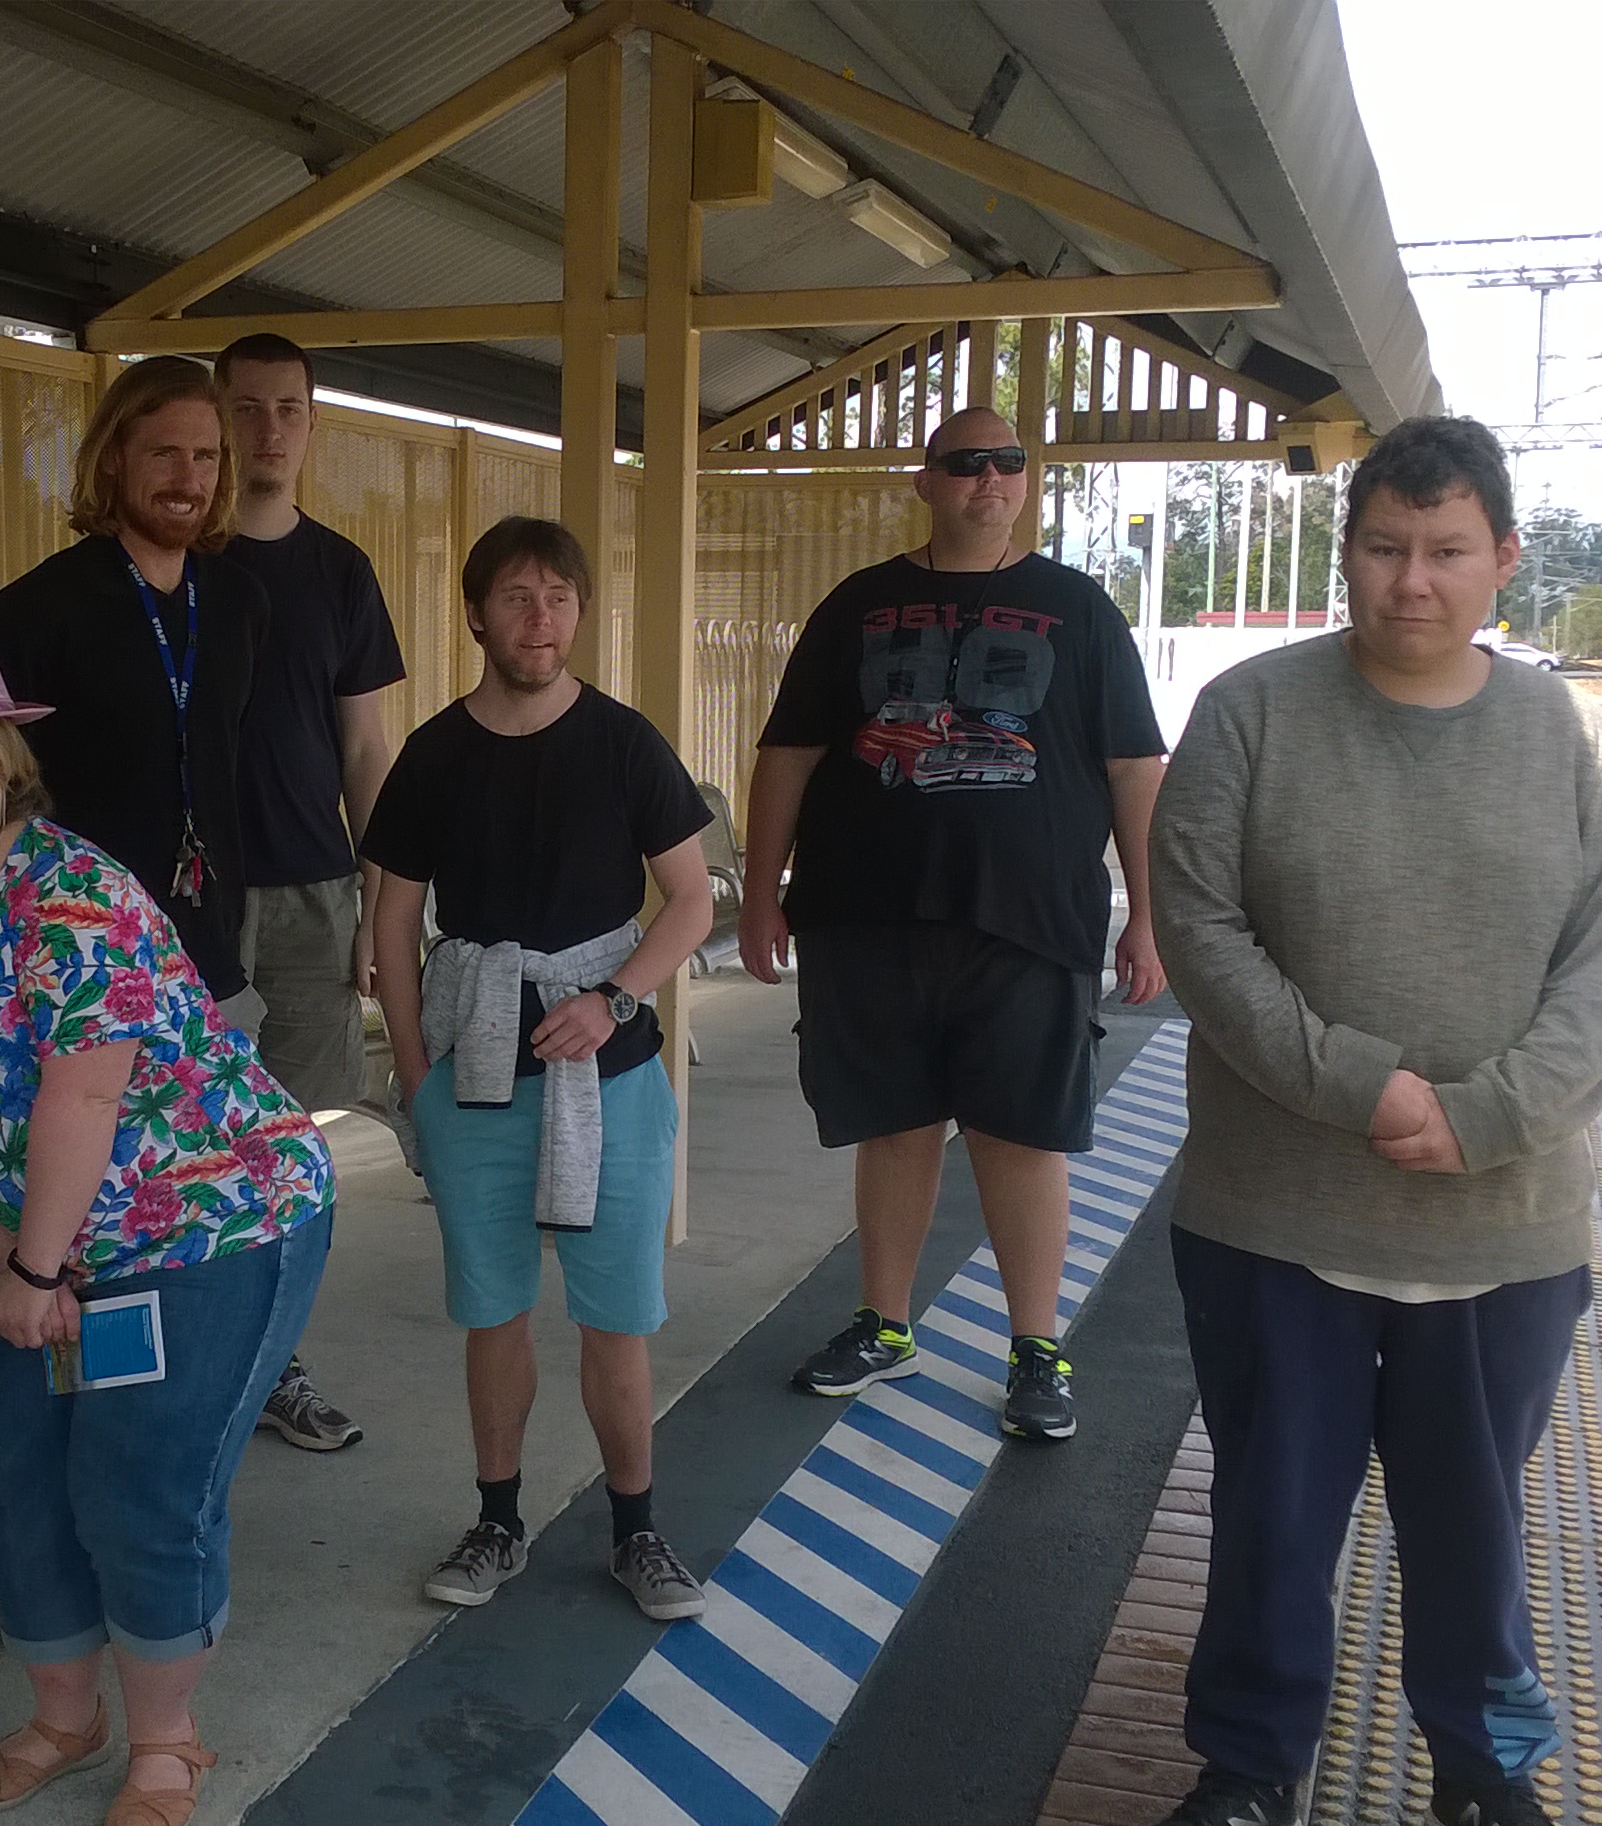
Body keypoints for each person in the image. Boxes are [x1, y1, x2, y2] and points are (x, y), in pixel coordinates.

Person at [1141, 417, 1602, 1826]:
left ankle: (1483, 1773)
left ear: (1503, 559)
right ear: (1347, 547)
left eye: (1444, 552)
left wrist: (1483, 1116)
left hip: (1504, 1224)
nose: (1409, 583)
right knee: (1270, 1522)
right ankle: (1250, 1770)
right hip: (1274, 1216)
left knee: (1473, 1533)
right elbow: (1200, 925)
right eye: (1381, 547)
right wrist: (1356, 1085)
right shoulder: (1251, 714)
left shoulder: (1575, 741)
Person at [0, 619, 333, 1826]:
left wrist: (35, 1264)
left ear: (9, 757)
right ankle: (66, 1722)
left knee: (141, 1487)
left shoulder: (66, 891)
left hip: (208, 1225)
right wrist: (12, 1267)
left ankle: (168, 1745)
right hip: (40, 1246)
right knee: (16, 1478)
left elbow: (84, 1089)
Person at [737, 407, 1167, 1438]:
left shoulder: (1081, 610)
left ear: (1027, 481)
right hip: (866, 915)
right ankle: (884, 1325)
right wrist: (760, 890)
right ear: (925, 482)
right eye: (966, 463)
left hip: (1029, 921)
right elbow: (789, 753)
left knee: (1023, 1137)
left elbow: (1134, 769)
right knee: (892, 1125)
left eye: (1008, 462)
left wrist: (1148, 913)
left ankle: (1036, 1350)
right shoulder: (858, 606)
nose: (989, 479)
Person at [366, 517, 717, 1622]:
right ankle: (498, 1519)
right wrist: (419, 1069)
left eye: (559, 597)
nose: (540, 618)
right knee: (494, 1312)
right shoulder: (434, 751)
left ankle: (637, 1528)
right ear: (475, 614)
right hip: (475, 1077)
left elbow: (694, 900)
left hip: (613, 1080)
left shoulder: (624, 743)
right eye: (516, 597)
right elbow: (395, 917)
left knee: (618, 1315)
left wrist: (610, 1002)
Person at [214, 330, 407, 1457]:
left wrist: (385, 908)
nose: (267, 429)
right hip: (183, 904)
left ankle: (275, 1359)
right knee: (174, 1139)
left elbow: (367, 751)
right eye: (246, 409)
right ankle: (197, 1361)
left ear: (311, 422)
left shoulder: (340, 572)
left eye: (287, 408)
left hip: (309, 893)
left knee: (286, 1145)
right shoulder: (170, 562)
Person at [0, 355, 264, 1004]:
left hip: (211, 963)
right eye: (164, 453)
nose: (187, 479)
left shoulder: (242, 602)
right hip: (79, 965)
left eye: (206, 456)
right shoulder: (33, 610)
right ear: (112, 457)